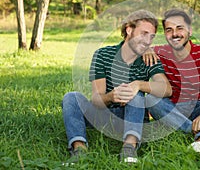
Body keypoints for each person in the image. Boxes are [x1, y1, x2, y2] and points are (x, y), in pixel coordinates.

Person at [62, 9, 172, 164]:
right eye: (144, 33)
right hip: (104, 115)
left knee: (137, 94)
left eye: (151, 36)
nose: (148, 41)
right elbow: (97, 99)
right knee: (71, 97)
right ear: (129, 30)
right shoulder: (103, 55)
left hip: (133, 116)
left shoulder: (150, 59)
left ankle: (129, 148)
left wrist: (138, 85)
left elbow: (167, 89)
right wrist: (111, 96)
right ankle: (79, 149)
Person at [144, 8, 200, 157]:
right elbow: (132, 48)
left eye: (180, 28)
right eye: (169, 30)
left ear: (190, 31)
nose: (175, 34)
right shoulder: (159, 52)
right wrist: (145, 49)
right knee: (150, 99)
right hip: (173, 108)